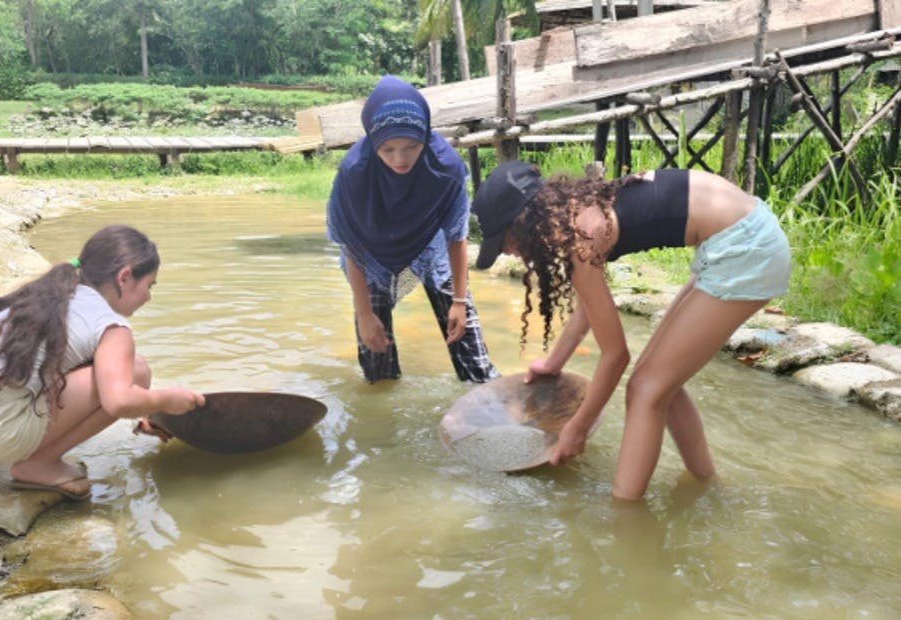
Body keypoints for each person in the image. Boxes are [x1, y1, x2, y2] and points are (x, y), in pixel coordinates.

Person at [471, 161, 791, 500]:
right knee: (662, 381)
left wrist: (577, 428)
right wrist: (554, 364)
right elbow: (587, 312)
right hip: (739, 231)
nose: (507, 251)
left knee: (643, 389)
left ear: (525, 223)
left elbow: (615, 356)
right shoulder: (574, 210)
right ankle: (706, 485)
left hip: (746, 249)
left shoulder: (580, 238)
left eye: (505, 240)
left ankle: (625, 520)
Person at [0, 224, 205, 500]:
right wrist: (165, 400)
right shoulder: (113, 328)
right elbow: (118, 400)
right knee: (137, 371)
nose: (148, 297)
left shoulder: (47, 294)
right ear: (125, 277)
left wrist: (146, 413)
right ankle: (38, 464)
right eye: (149, 286)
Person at [326, 75, 498, 384]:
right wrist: (364, 314)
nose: (400, 159)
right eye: (388, 150)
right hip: (371, 257)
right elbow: (351, 247)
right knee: (377, 366)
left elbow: (456, 236)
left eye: (411, 147)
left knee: (474, 358)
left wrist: (459, 302)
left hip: (430, 248)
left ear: (425, 136)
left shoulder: (444, 166)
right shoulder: (354, 173)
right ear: (372, 142)